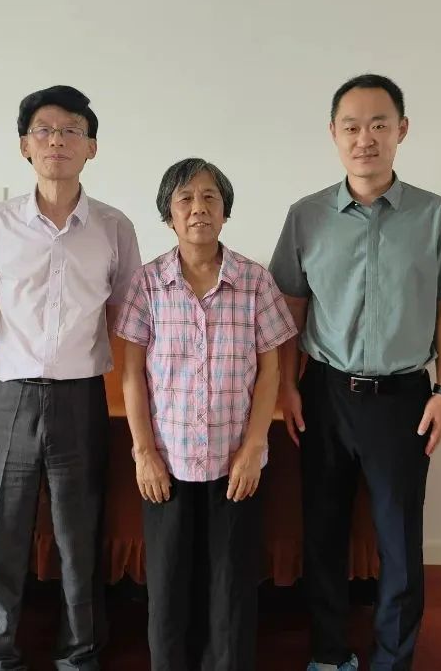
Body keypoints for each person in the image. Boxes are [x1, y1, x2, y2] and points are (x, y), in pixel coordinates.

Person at [269, 74, 441, 671]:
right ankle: (330, 654)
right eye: (352, 126)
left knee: (399, 539)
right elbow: (289, 311)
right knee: (324, 531)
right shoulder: (306, 215)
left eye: (379, 124)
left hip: (403, 397)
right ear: (334, 134)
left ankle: (392, 658)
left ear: (401, 130)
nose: (366, 138)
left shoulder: (434, 216)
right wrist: (286, 387)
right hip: (324, 392)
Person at [0, 85, 141, 671]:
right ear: (24, 146)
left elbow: (128, 317)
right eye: (43, 130)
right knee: (2, 531)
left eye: (70, 131)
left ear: (91, 147)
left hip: (81, 397)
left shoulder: (114, 227)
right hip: (9, 396)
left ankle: (80, 653)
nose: (56, 141)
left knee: (78, 534)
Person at [115, 158, 297, 670]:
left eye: (210, 197)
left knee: (231, 589)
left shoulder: (255, 281)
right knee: (168, 588)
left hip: (234, 463)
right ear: (168, 214)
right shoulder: (148, 283)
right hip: (167, 465)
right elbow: (131, 374)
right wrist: (144, 453)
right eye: (185, 199)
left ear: (225, 210)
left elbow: (271, 371)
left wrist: (255, 447)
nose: (198, 208)